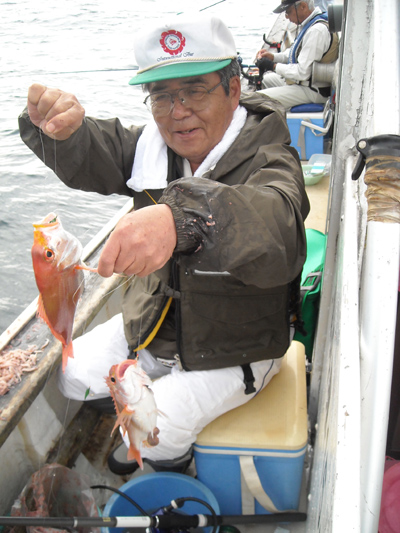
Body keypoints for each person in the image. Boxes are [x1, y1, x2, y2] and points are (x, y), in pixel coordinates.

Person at [19, 15, 309, 475]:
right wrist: (63, 132)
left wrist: (184, 218)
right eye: (161, 95)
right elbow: (103, 151)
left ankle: (171, 458)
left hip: (236, 347)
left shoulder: (271, 157)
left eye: (195, 90)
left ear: (234, 88)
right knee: (71, 378)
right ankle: (136, 405)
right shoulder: (155, 149)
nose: (177, 111)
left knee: (157, 433)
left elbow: (279, 226)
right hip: (153, 325)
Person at [255, 0, 339, 110]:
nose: (286, 17)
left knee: (258, 99)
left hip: (313, 90)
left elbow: (302, 72)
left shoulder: (317, 31)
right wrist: (274, 57)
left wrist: (273, 66)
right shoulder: (311, 23)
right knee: (266, 81)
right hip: (305, 83)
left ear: (303, 6)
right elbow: (295, 53)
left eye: (288, 12)